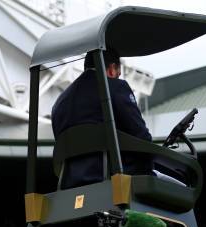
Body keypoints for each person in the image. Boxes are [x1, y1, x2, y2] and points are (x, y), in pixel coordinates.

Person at [51, 49, 153, 189]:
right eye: (118, 74)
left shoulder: (59, 103)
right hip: (116, 181)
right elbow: (142, 138)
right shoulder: (116, 87)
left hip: (70, 184)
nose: (117, 77)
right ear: (111, 69)